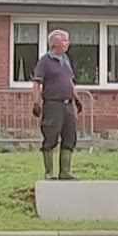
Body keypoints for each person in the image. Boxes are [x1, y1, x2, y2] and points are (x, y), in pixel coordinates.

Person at [32, 29, 81, 180]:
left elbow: (70, 81)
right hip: (53, 104)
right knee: (50, 136)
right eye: (65, 40)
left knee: (70, 136)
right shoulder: (45, 61)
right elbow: (37, 83)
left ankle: (65, 171)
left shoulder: (66, 59)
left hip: (68, 104)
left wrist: (77, 99)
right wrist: (36, 102)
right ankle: (49, 173)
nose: (68, 43)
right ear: (55, 43)